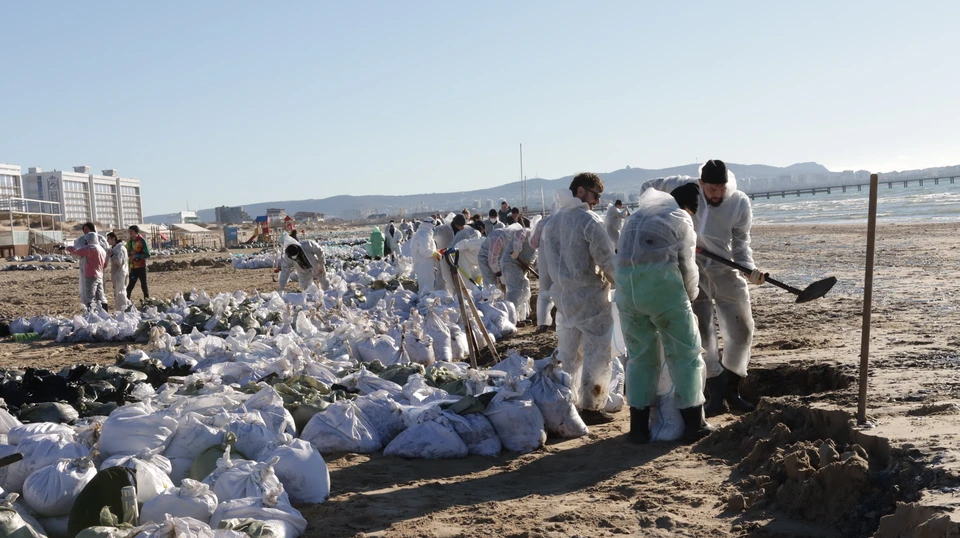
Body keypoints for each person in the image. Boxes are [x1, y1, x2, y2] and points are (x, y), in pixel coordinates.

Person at [639, 159, 765, 417]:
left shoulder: (739, 202)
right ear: (700, 183)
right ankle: (715, 394)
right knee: (703, 331)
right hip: (690, 267)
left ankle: (733, 390)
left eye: (722, 187)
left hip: (724, 269)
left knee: (743, 330)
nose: (718, 193)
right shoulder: (681, 185)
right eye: (712, 188)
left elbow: (741, 244)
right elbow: (647, 187)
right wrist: (657, 216)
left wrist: (749, 269)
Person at [615, 183, 716, 443]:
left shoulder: (635, 217)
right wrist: (689, 298)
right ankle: (694, 424)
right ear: (688, 207)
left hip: (627, 291)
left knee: (639, 357)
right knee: (685, 354)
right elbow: (688, 265)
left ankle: (637, 429)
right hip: (662, 290)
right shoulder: (679, 217)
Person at [545, 172, 616, 424]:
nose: (597, 201)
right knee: (597, 351)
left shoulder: (552, 223)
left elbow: (546, 263)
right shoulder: (589, 221)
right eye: (595, 195)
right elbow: (607, 260)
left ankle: (566, 404)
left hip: (563, 299)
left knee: (568, 355)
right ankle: (591, 405)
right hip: (590, 299)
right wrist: (622, 285)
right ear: (581, 192)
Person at [500, 221, 538, 322]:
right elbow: (520, 234)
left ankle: (521, 317)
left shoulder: (540, 241)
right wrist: (517, 249)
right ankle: (511, 319)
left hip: (521, 266)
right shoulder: (529, 232)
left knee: (525, 289)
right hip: (511, 263)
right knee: (515, 291)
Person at [67, 232, 108, 309]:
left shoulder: (90, 248)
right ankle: (104, 313)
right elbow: (105, 264)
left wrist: (68, 248)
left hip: (91, 275)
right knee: (101, 296)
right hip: (100, 275)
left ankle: (91, 315)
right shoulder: (102, 250)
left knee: (90, 296)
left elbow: (77, 252)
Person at [530, 214, 555, 334]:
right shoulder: (570, 218)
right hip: (564, 265)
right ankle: (560, 322)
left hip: (545, 262)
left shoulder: (543, 223)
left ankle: (543, 324)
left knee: (545, 295)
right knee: (565, 293)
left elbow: (533, 243)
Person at [411, 220, 439, 296]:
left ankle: (424, 303)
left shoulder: (420, 233)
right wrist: (435, 253)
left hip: (423, 265)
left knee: (424, 286)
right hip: (425, 266)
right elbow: (425, 252)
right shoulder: (424, 235)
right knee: (426, 288)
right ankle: (424, 305)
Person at [106, 232, 130, 311]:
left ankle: (125, 310)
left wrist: (112, 255)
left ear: (114, 239)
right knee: (118, 292)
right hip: (117, 273)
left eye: (109, 238)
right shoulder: (115, 248)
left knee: (121, 293)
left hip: (120, 273)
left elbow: (120, 262)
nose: (107, 240)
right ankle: (121, 310)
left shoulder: (120, 248)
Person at [126, 225, 151, 300]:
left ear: (136, 232)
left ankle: (147, 300)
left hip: (141, 267)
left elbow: (147, 254)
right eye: (129, 231)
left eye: (131, 231)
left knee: (144, 285)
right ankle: (127, 302)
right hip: (133, 267)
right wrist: (130, 253)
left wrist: (136, 255)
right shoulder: (129, 241)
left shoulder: (142, 241)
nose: (130, 233)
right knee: (130, 285)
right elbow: (126, 251)